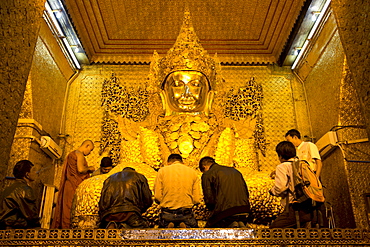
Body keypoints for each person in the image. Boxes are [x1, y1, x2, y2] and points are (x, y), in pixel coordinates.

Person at [269, 141, 317, 228]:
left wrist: (272, 191)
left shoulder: (282, 167)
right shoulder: (302, 164)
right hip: (310, 205)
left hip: (295, 207)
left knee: (274, 229)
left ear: (280, 155)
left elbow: (281, 187)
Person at [52, 140, 95, 229]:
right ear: (87, 145)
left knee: (66, 208)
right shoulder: (79, 154)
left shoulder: (72, 154)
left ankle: (64, 229)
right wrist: (90, 168)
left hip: (69, 184)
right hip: (74, 185)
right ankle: (68, 231)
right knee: (71, 209)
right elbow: (80, 169)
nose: (89, 153)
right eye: (90, 150)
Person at [199, 156, 251, 228]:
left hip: (225, 212)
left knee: (208, 231)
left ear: (204, 167)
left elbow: (209, 198)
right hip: (244, 209)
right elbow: (246, 192)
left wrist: (211, 210)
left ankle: (233, 224)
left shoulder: (207, 174)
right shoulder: (235, 171)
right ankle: (239, 223)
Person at [154, 154, 202, 228]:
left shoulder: (162, 171)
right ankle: (184, 225)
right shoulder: (193, 172)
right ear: (182, 162)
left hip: (167, 213)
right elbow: (197, 199)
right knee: (193, 236)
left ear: (168, 162)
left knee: (162, 236)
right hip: (186, 213)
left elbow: (157, 196)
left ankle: (169, 225)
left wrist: (165, 202)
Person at [0, 160, 40, 229]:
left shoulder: (7, 189)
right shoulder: (25, 190)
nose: (36, 173)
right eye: (33, 170)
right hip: (14, 230)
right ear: (27, 174)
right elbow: (31, 216)